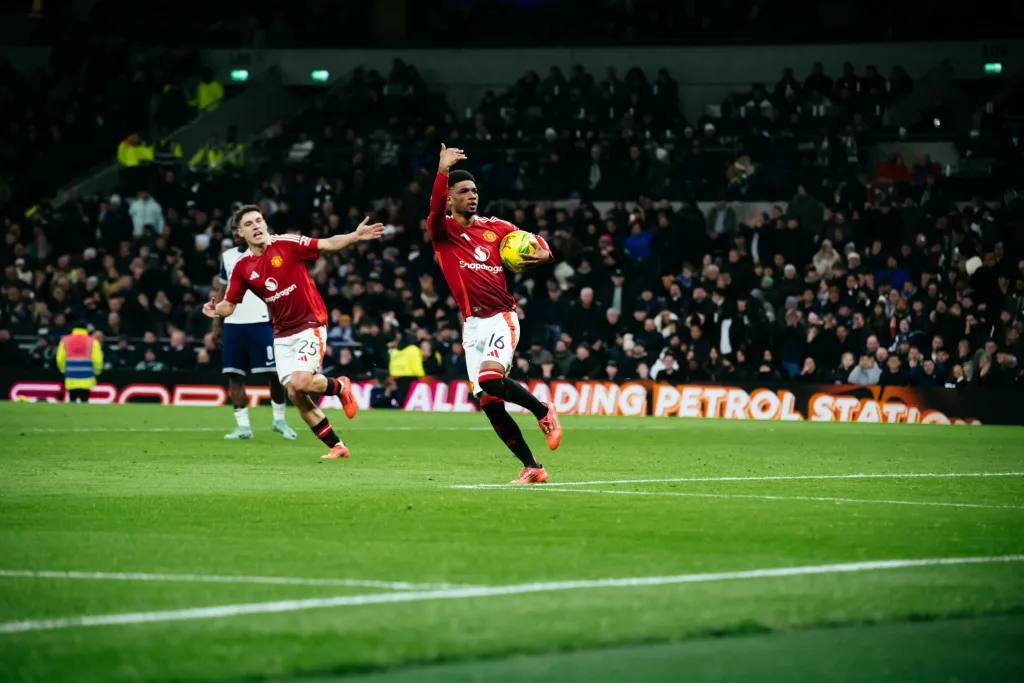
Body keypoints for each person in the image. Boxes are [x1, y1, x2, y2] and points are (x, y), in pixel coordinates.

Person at [204, 205, 384, 459]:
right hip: (281, 333)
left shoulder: (287, 243)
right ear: (239, 233)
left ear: (265, 224)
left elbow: (328, 244)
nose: (256, 226)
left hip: (309, 323)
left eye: (259, 221)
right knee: (294, 393)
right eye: (249, 224)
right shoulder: (243, 267)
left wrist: (354, 236)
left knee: (300, 382)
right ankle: (337, 445)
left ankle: (340, 386)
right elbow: (229, 306)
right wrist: (216, 311)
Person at [428, 144, 562, 484]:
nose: (472, 196)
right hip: (471, 325)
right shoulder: (443, 232)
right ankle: (533, 466)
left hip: (501, 316)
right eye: (464, 192)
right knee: (489, 402)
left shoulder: (498, 228)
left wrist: (543, 256)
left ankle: (543, 411)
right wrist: (442, 172)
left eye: (474, 191)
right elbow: (431, 212)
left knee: (489, 379)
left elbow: (539, 244)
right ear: (449, 199)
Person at [211, 218, 297, 441]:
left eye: (241, 228)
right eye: (234, 229)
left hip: (261, 322)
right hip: (233, 325)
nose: (236, 233)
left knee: (275, 374)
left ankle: (279, 420)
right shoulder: (228, 257)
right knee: (234, 375)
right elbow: (222, 289)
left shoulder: (268, 251)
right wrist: (216, 322)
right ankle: (243, 428)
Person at [56, 323, 103, 402]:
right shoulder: (92, 341)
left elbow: (60, 359)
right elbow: (98, 360)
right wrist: (97, 371)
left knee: (72, 400)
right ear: (86, 329)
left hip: (71, 376)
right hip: (86, 377)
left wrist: (64, 370)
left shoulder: (65, 340)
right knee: (84, 400)